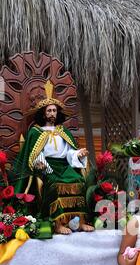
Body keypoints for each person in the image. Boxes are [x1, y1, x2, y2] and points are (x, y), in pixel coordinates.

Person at [13, 80, 94, 235]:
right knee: (54, 185)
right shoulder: (36, 132)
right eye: (49, 111)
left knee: (79, 181)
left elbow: (69, 152)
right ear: (43, 113)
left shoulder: (62, 131)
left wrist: (78, 154)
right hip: (48, 166)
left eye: (54, 111)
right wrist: (41, 165)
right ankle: (57, 224)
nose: (52, 114)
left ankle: (80, 221)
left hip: (64, 166)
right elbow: (35, 154)